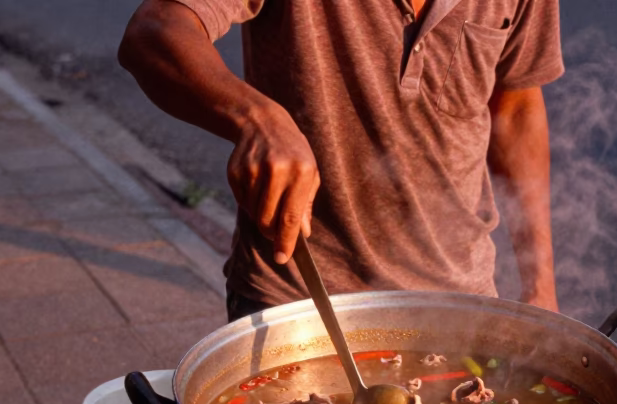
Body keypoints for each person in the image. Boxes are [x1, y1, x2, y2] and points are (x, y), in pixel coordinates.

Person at [119, 0, 563, 321]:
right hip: (300, 305)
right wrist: (256, 118)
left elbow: (516, 109)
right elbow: (155, 29)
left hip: (462, 302)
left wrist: (540, 288)